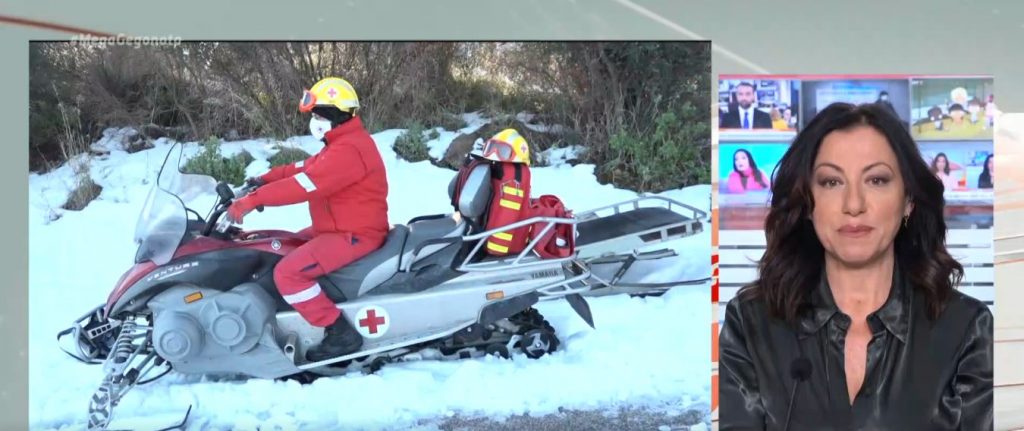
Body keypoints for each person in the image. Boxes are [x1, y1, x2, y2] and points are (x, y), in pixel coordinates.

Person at [719, 103, 992, 430]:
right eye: (832, 182)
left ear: (908, 200)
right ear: (807, 202)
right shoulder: (750, 324)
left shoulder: (966, 329)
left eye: (876, 180)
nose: (853, 205)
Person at [227, 77, 390, 362]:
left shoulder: (350, 151)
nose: (314, 121)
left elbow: (305, 184)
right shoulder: (340, 143)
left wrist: (255, 200)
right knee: (276, 244)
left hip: (355, 235)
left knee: (288, 273)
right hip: (334, 228)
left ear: (335, 115)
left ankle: (340, 332)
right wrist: (261, 180)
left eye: (318, 115)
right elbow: (300, 168)